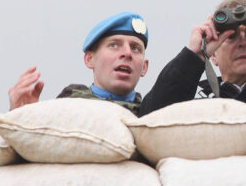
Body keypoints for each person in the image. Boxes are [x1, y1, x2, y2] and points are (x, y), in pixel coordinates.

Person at [8, 12, 149, 114]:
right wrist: (22, 117)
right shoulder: (63, 109)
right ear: (89, 59)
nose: (127, 53)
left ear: (144, 67)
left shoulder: (153, 116)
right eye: (114, 45)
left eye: (135, 48)